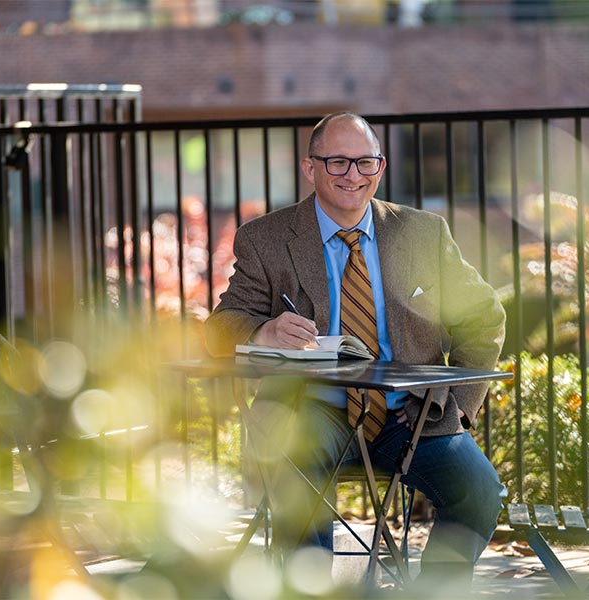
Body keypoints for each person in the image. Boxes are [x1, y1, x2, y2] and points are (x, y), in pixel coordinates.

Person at [205, 112, 506, 586]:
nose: (353, 176)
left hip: (410, 415)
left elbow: (483, 318)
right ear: (311, 169)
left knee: (479, 492)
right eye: (338, 162)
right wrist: (263, 332)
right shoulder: (266, 238)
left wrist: (455, 402)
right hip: (312, 411)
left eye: (365, 163)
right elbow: (221, 327)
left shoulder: (422, 234)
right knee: (296, 475)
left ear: (380, 169)